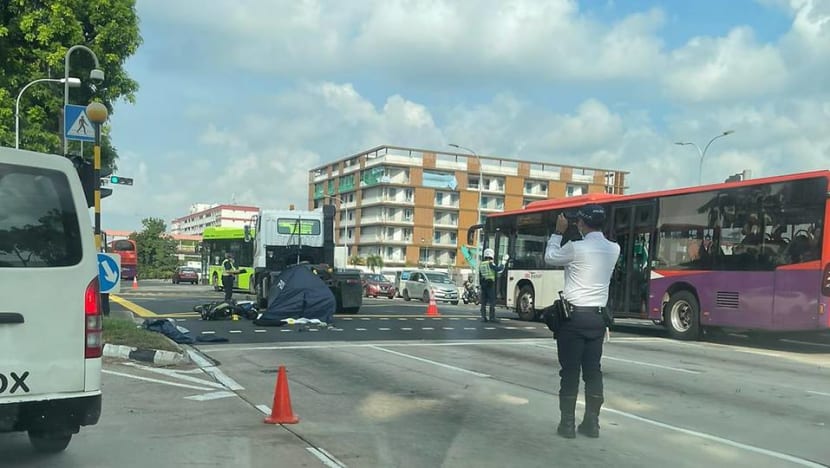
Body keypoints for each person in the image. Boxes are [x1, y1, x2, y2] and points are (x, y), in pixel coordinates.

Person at [544, 204, 620, 439]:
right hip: (597, 319)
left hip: (573, 318)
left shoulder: (575, 248)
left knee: (569, 372)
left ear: (583, 223)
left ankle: (567, 424)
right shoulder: (614, 248)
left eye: (578, 221)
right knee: (593, 372)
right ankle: (592, 423)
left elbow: (550, 258)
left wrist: (558, 232)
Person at [478, 248, 507, 322]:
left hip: (483, 285)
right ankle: (492, 317)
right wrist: (503, 262)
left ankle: (483, 317)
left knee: (483, 302)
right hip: (490, 284)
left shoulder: (481, 264)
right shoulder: (490, 263)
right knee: (492, 301)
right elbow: (499, 269)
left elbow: (480, 275)